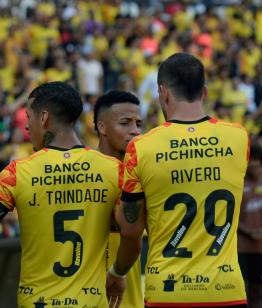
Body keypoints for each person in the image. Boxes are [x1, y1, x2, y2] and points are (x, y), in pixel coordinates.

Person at [107, 53, 249, 307]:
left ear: (163, 92)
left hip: (168, 291)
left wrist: (117, 273)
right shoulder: (239, 138)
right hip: (226, 291)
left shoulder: (142, 148)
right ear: (204, 91)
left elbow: (131, 232)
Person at [0, 81, 123, 306]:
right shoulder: (113, 169)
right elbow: (131, 229)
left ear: (43, 118)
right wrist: (118, 273)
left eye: (28, 117)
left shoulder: (17, 171)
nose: (26, 126)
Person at [94, 90, 144, 308]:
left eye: (138, 124)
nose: (134, 131)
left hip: (129, 298)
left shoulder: (142, 175)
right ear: (102, 127)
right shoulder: (83, 173)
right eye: (125, 123)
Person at [238, 144, 262, 308]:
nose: (254, 163)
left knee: (258, 291)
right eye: (250, 160)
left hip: (259, 248)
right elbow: (231, 216)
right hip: (240, 247)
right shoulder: (238, 184)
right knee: (241, 292)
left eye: (257, 160)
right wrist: (249, 232)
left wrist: (261, 230)